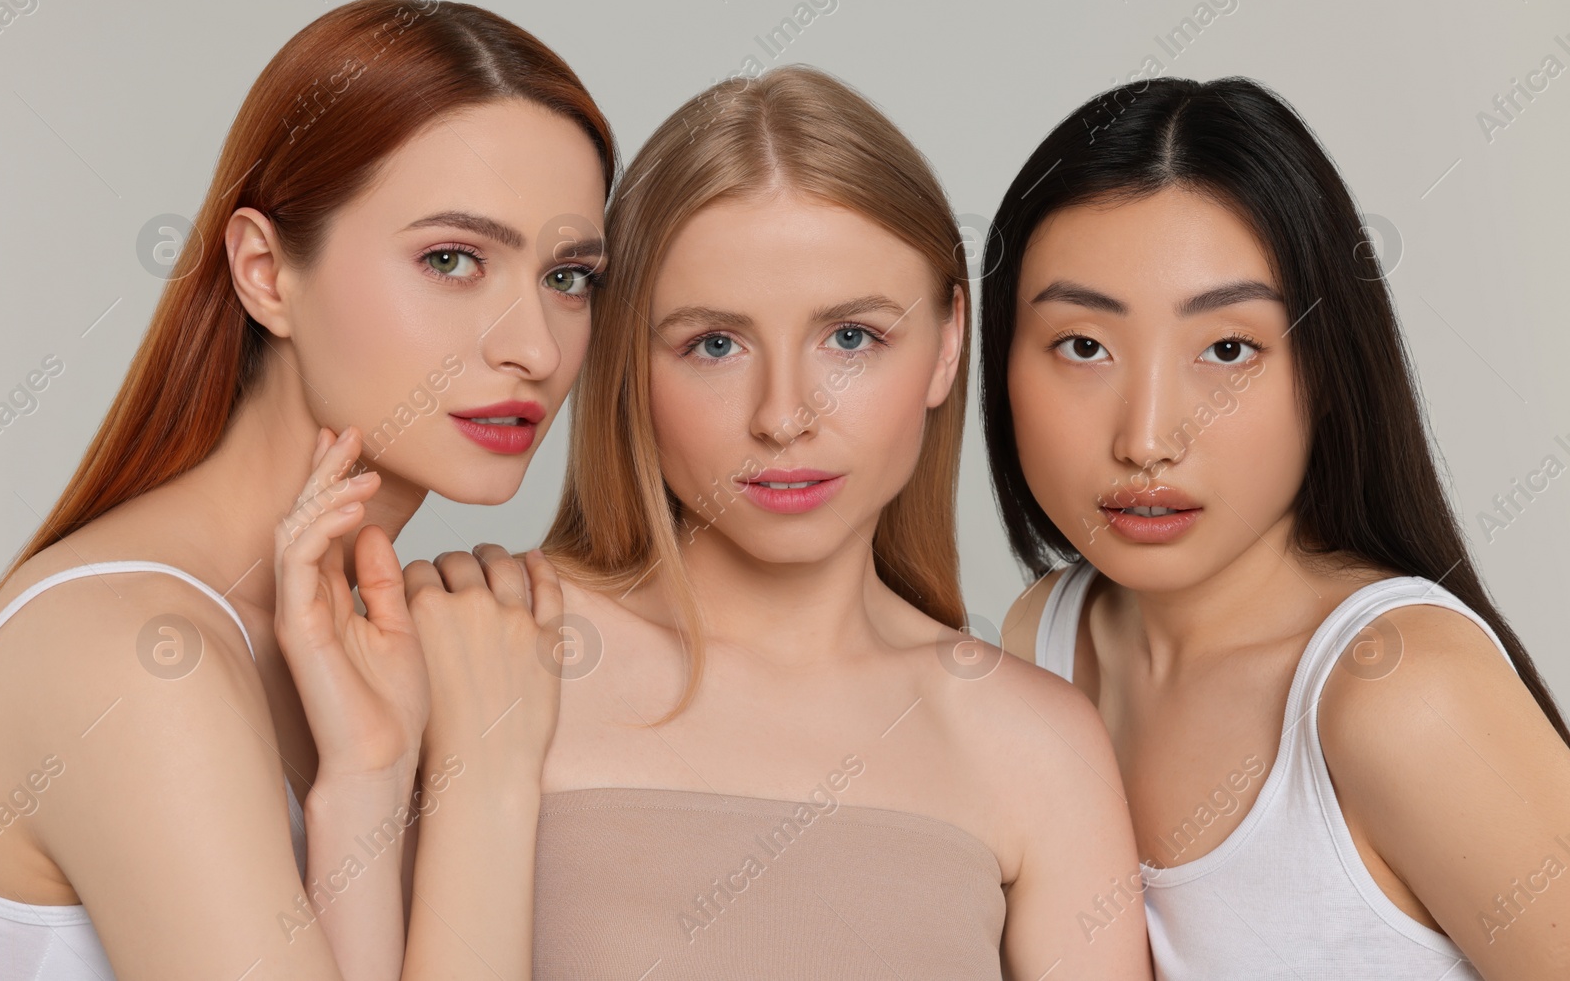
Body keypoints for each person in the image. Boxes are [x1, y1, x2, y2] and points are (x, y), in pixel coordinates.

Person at [0, 0, 612, 980]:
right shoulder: (137, 653)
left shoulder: (349, 644)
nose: (532, 347)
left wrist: (368, 780)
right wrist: (484, 776)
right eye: (451, 259)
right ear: (266, 272)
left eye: (570, 276)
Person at [530, 65, 1152, 980]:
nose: (783, 416)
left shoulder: (1036, 747)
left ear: (947, 344)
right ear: (627, 359)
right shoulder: (492, 648)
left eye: (851, 337)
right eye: (714, 343)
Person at [983, 75, 1570, 978]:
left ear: (1326, 371)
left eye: (1227, 349)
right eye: (1084, 345)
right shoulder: (1046, 640)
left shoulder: (1400, 692)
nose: (1147, 437)